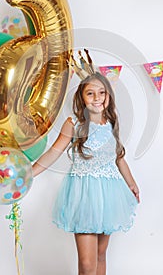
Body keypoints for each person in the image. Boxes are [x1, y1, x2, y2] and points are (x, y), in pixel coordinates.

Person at [32, 70, 140, 275]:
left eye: (102, 93)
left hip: (109, 194)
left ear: (109, 96)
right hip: (84, 195)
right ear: (81, 97)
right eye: (90, 93)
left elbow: (119, 158)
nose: (97, 98)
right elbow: (54, 152)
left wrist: (131, 183)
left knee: (100, 255)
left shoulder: (111, 123)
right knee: (87, 263)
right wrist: (31, 173)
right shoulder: (74, 124)